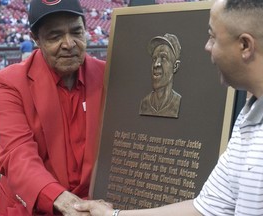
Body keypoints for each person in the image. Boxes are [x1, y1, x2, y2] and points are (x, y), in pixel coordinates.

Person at [74, 0, 263, 215]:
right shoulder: (248, 119)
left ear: (245, 46)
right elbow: (207, 207)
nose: (207, 47)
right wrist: (112, 215)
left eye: (213, 37)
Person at [0, 0, 105, 215]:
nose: (69, 43)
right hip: (30, 209)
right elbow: (17, 154)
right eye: (55, 36)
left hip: (95, 207)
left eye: (76, 32)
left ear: (86, 30)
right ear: (36, 39)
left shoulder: (108, 75)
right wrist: (65, 202)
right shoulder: (9, 82)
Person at [139, 33, 182, 118]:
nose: (156, 64)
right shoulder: (145, 104)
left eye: (163, 58)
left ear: (175, 66)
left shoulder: (177, 103)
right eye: (154, 59)